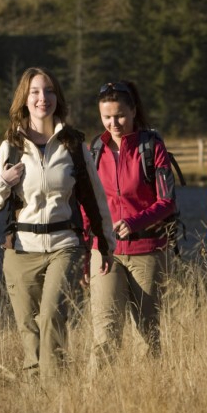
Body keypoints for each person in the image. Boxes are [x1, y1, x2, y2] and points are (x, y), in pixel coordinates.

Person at [0, 67, 115, 382]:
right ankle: (35, 398)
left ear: (58, 97)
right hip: (21, 251)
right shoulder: (11, 146)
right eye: (36, 92)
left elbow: (95, 199)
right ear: (24, 100)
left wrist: (104, 243)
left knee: (53, 317)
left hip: (64, 246)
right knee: (29, 330)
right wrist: (4, 181)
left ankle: (58, 395)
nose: (44, 98)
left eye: (50, 91)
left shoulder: (74, 144)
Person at [85, 81, 177, 372]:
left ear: (134, 111)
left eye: (120, 116)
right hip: (105, 254)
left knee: (147, 336)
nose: (114, 123)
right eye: (107, 117)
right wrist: (87, 249)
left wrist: (134, 222)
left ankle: (148, 397)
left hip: (147, 250)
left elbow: (167, 202)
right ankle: (92, 401)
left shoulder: (152, 147)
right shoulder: (94, 150)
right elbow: (86, 204)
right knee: (105, 336)